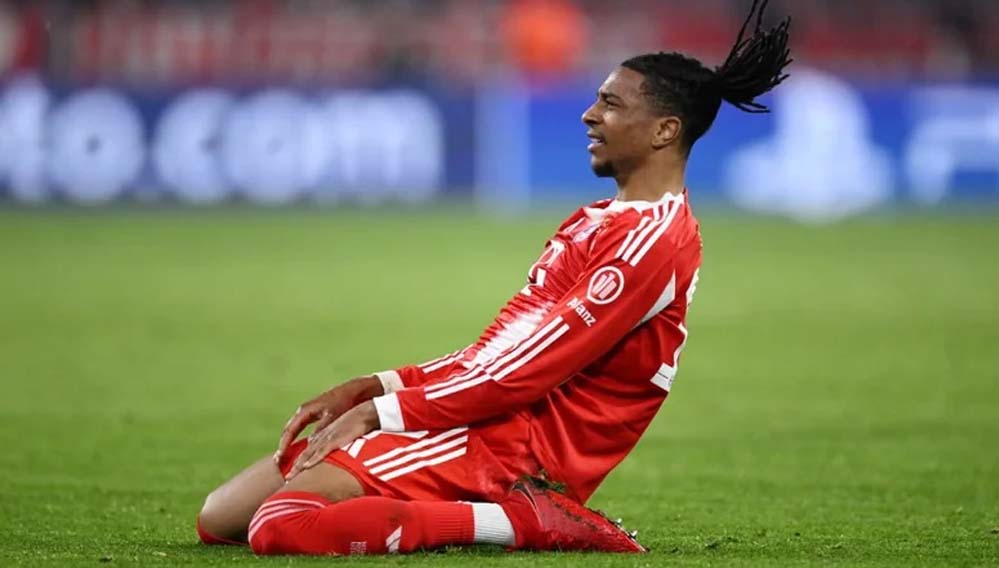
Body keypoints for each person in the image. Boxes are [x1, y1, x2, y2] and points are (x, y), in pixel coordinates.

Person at [196, 0, 791, 556]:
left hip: (512, 446)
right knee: (220, 517)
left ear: (664, 130)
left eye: (611, 104)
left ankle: (522, 520)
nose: (589, 114)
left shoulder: (652, 244)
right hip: (480, 415)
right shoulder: (594, 222)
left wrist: (385, 414)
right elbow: (498, 354)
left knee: (282, 526)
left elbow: (521, 375)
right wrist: (377, 387)